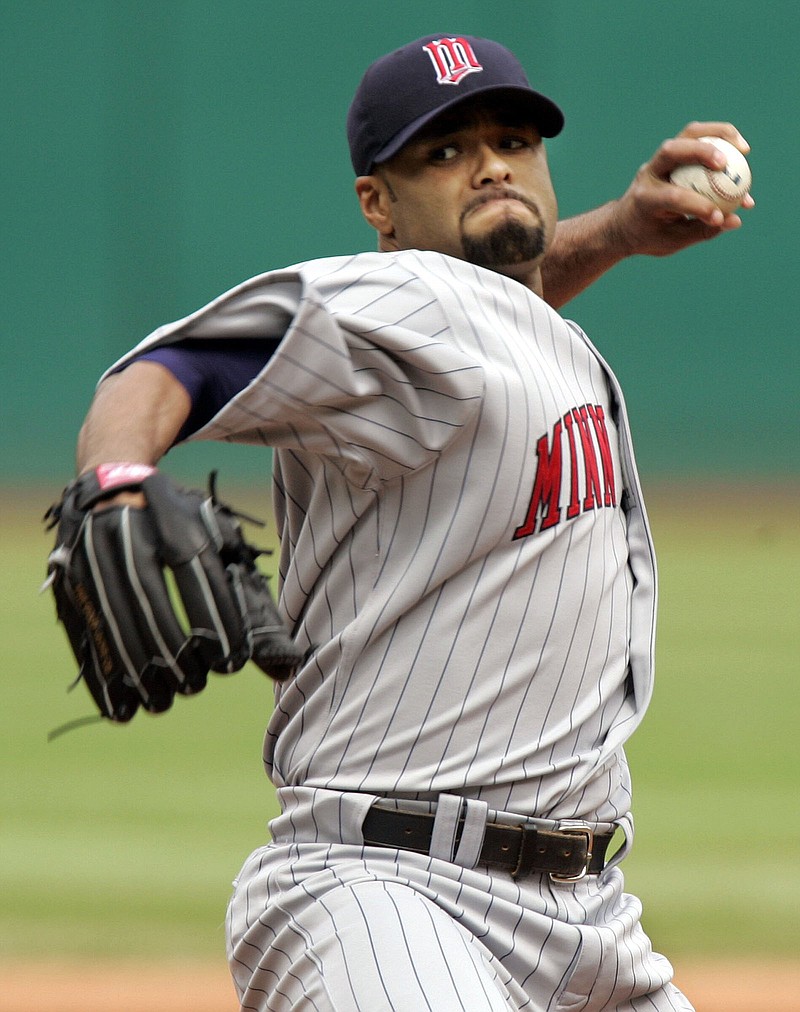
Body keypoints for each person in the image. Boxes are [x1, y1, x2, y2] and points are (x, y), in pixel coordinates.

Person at [70, 34, 752, 1012]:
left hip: (586, 916)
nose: (488, 164)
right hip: (386, 891)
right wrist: (116, 480)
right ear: (376, 207)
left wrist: (615, 231)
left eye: (511, 140)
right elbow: (168, 367)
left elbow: (488, 318)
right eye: (442, 153)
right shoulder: (383, 296)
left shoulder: (511, 324)